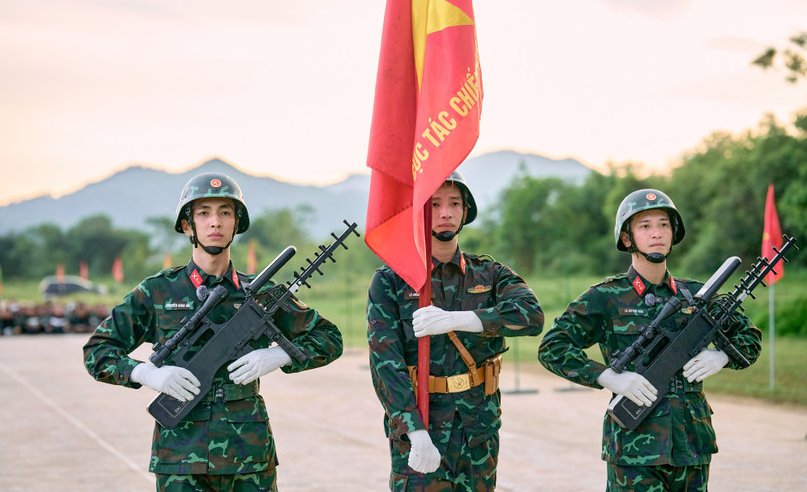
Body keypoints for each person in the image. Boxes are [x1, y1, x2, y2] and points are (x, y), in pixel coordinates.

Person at [83, 172, 343, 492]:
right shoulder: (157, 291)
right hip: (179, 458)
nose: (215, 223)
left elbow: (329, 337)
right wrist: (145, 374)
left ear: (236, 224)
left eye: (225, 213)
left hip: (248, 455)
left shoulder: (259, 295)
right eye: (203, 213)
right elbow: (98, 350)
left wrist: (280, 354)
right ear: (187, 226)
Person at [537, 188, 762, 492]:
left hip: (692, 448)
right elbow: (553, 347)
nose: (657, 233)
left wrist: (722, 356)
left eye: (664, 224)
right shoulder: (606, 297)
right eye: (645, 226)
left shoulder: (698, 295)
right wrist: (607, 377)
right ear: (627, 238)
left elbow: (749, 337)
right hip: (633, 451)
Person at [367, 170, 545, 491]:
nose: (445, 212)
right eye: (433, 204)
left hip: (477, 426)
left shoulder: (490, 274)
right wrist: (414, 429)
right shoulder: (392, 281)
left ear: (465, 211)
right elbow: (385, 363)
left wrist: (460, 320)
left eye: (454, 203)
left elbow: (531, 316)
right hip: (422, 424)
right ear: (419, 211)